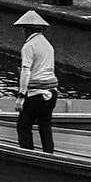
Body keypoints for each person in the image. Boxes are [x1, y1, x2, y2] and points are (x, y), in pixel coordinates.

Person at [13, 10, 58, 152]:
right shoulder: (48, 45)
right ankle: (49, 154)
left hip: (36, 93)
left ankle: (28, 153)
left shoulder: (29, 46)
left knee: (23, 124)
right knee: (45, 125)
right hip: (51, 91)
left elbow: (26, 71)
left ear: (27, 30)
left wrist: (21, 96)